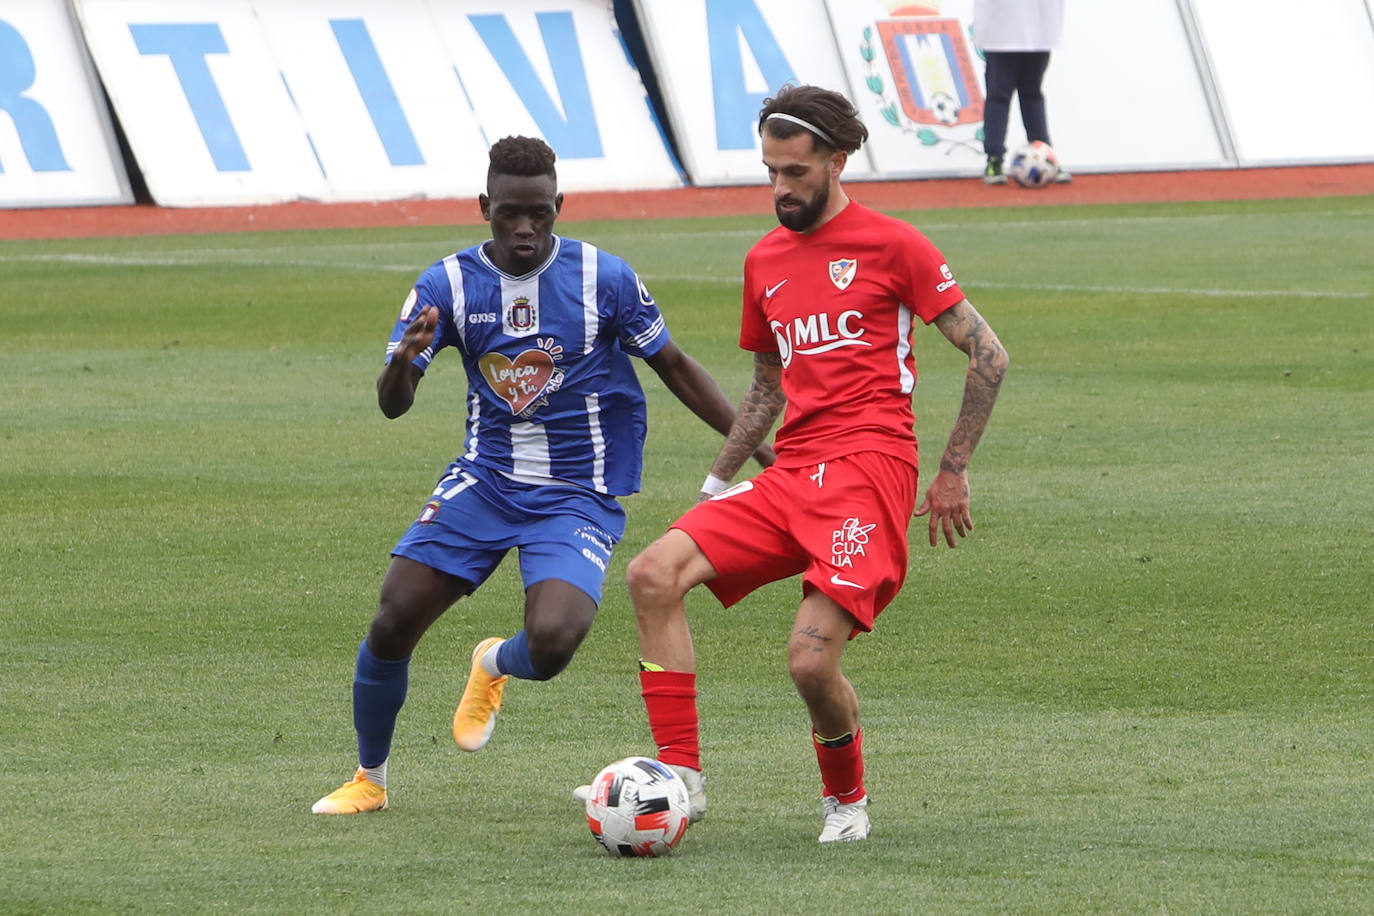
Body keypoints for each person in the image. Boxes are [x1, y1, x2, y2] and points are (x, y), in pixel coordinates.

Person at [578, 84, 1009, 843]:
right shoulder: (765, 261)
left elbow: (988, 354)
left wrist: (952, 470)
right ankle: (682, 778)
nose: (780, 188)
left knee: (810, 664)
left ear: (838, 162)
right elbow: (766, 390)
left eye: (796, 173)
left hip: (871, 473)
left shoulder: (896, 246)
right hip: (793, 475)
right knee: (652, 573)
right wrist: (716, 483)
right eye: (771, 172)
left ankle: (846, 804)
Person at [312, 135, 773, 815]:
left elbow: (673, 365)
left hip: (578, 493)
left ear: (558, 206)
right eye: (508, 215)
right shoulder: (447, 284)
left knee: (554, 642)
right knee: (393, 617)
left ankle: (494, 662)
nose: (524, 230)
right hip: (487, 478)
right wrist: (401, 363)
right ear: (483, 208)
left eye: (538, 215)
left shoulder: (604, 278)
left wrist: (758, 447)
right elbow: (392, 406)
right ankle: (369, 779)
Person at [974, 0, 1070, 184]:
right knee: (999, 95)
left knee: (1032, 93)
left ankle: (1043, 153)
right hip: (1001, 31)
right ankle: (994, 158)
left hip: (1040, 31)